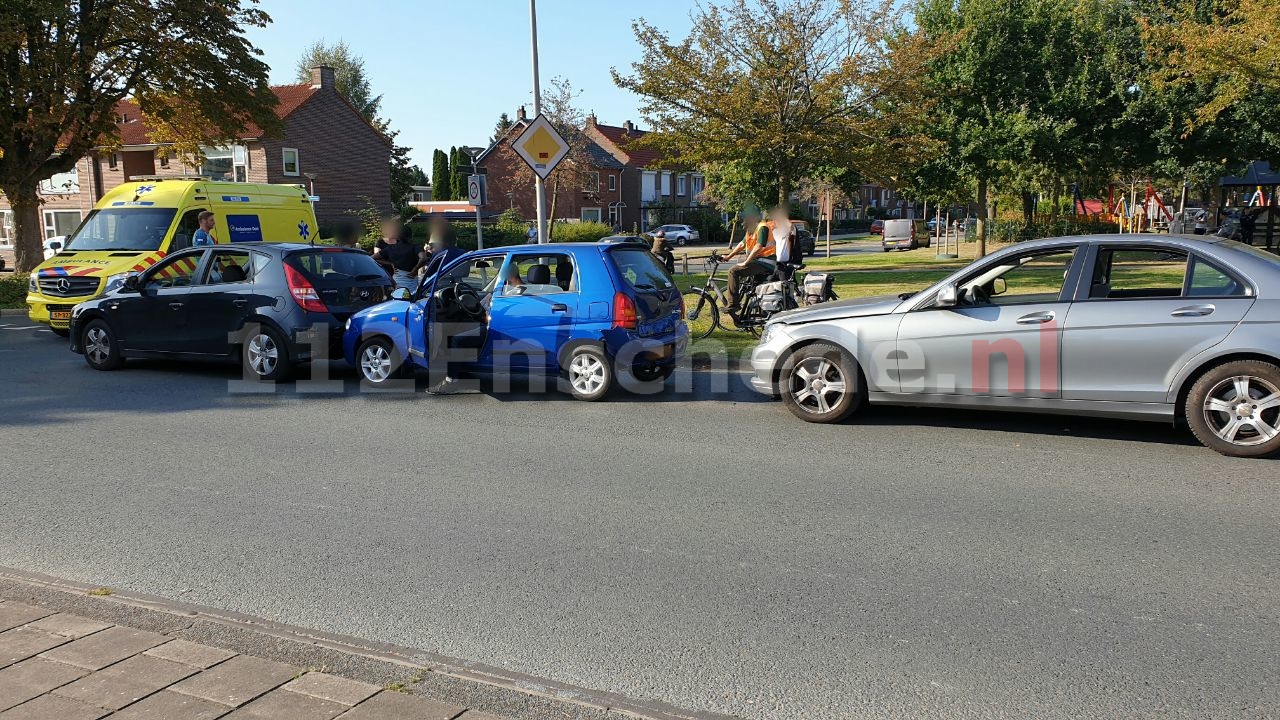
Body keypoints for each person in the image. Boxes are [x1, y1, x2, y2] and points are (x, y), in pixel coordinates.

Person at [722, 208, 775, 315]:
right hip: (759, 261)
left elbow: (759, 246)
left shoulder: (762, 227)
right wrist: (728, 256)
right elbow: (741, 245)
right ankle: (750, 310)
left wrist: (746, 262)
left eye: (747, 217)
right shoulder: (751, 229)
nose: (744, 219)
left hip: (766, 262)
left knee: (734, 271)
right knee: (747, 284)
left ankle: (733, 304)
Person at [371, 216, 420, 292]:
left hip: (399, 272)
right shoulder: (380, 242)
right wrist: (390, 263)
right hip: (387, 271)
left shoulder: (397, 243)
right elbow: (375, 257)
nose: (393, 232)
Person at [417, 215, 467, 283]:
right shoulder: (463, 253)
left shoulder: (440, 254)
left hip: (440, 286)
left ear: (442, 240)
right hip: (458, 284)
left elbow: (428, 272)